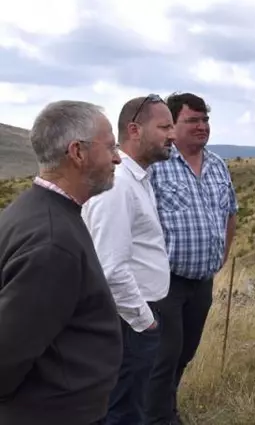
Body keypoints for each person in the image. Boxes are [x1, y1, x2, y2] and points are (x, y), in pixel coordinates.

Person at [0, 100, 123, 425]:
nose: (117, 158)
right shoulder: (53, 242)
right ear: (78, 153)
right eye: (110, 147)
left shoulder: (32, 209)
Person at [144, 92, 238, 425]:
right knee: (162, 356)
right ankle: (156, 419)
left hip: (202, 281)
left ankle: (166, 411)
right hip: (164, 281)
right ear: (172, 126)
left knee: (184, 353)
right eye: (192, 120)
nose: (202, 127)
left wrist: (221, 257)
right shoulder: (157, 166)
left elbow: (230, 213)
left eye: (205, 120)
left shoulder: (217, 165)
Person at [81, 94, 176, 424]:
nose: (173, 135)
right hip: (128, 320)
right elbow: (110, 268)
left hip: (135, 316)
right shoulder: (120, 185)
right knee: (122, 411)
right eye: (164, 126)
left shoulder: (139, 179)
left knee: (132, 404)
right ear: (134, 130)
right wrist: (144, 320)